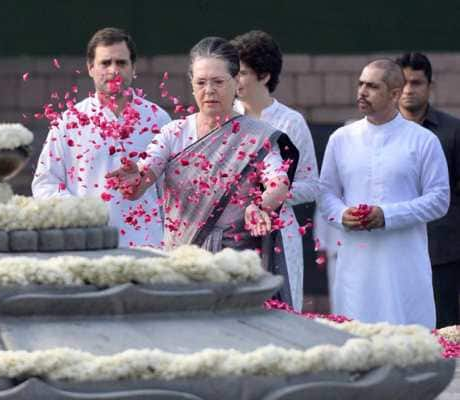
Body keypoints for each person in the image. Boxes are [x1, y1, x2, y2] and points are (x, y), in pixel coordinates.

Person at [107, 36, 299, 304]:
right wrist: (135, 178)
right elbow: (142, 180)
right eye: (201, 82)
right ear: (192, 84)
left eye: (218, 82)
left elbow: (278, 183)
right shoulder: (173, 133)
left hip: (237, 266)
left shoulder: (258, 136)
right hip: (183, 262)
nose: (209, 90)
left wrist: (260, 205)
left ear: (235, 83)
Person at [318, 59, 449, 329]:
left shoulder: (423, 140)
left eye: (372, 86)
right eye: (360, 84)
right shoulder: (341, 138)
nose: (362, 92)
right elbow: (326, 193)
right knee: (355, 338)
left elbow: (439, 200)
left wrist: (386, 214)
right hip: (356, 262)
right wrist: (343, 214)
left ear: (394, 94)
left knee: (408, 338)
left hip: (404, 260)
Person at [32, 27, 171, 247]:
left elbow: (172, 188)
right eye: (105, 63)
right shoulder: (69, 121)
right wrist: (81, 213)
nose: (114, 70)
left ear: (133, 68)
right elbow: (45, 183)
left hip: (147, 248)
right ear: (90, 68)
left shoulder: (158, 120)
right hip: (87, 246)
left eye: (121, 63)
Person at [230, 30, 318, 311]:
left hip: (277, 231)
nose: (235, 80)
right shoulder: (225, 116)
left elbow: (312, 185)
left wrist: (270, 196)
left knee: (279, 308)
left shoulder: (291, 123)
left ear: (264, 76)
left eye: (242, 73)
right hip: (230, 230)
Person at [396, 52, 460, 328]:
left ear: (429, 86)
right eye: (404, 82)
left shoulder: (452, 131)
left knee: (443, 325)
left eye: (417, 82)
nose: (409, 90)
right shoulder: (375, 131)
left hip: (441, 250)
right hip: (392, 243)